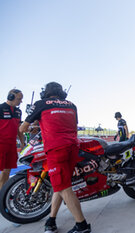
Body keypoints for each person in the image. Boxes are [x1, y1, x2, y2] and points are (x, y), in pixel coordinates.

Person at [19, 82, 90, 233]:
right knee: (60, 184)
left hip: (56, 149)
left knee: (64, 187)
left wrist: (35, 126)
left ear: (46, 92)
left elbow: (23, 128)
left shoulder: (41, 104)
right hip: (72, 147)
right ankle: (51, 220)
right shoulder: (71, 105)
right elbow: (70, 124)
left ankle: (82, 226)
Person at [0, 89, 25, 190]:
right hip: (1, 143)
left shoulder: (18, 111)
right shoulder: (1, 108)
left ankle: (2, 192)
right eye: (19, 99)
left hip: (11, 145)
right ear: (11, 97)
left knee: (7, 171)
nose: (21, 101)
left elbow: (19, 129)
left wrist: (22, 142)